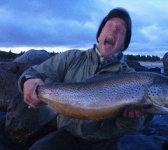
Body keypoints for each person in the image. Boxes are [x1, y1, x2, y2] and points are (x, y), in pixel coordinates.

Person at [18, 7, 153, 150]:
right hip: (66, 135)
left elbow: (130, 128)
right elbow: (32, 73)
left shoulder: (132, 78)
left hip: (104, 142)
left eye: (121, 30)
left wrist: (130, 118)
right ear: (99, 35)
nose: (113, 31)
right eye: (109, 26)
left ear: (123, 45)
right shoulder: (72, 58)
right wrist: (27, 81)